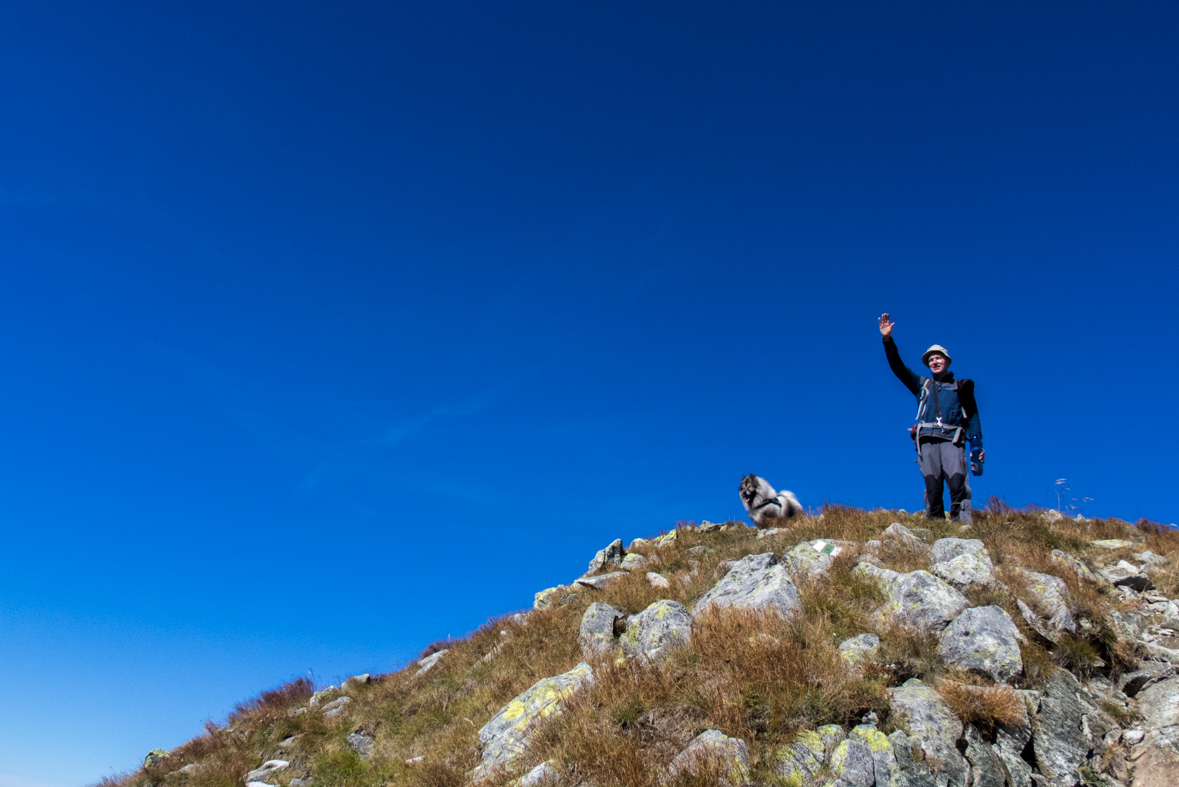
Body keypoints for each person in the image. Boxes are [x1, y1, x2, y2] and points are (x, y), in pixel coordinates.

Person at [878, 313, 983, 522]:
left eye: (938, 358)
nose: (934, 361)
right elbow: (898, 367)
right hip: (927, 440)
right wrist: (887, 340)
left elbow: (973, 417)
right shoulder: (921, 384)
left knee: (957, 482)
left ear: (947, 361)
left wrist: (977, 445)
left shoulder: (961, 387)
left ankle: (961, 526)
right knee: (932, 486)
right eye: (931, 359)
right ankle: (935, 526)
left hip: (953, 440)